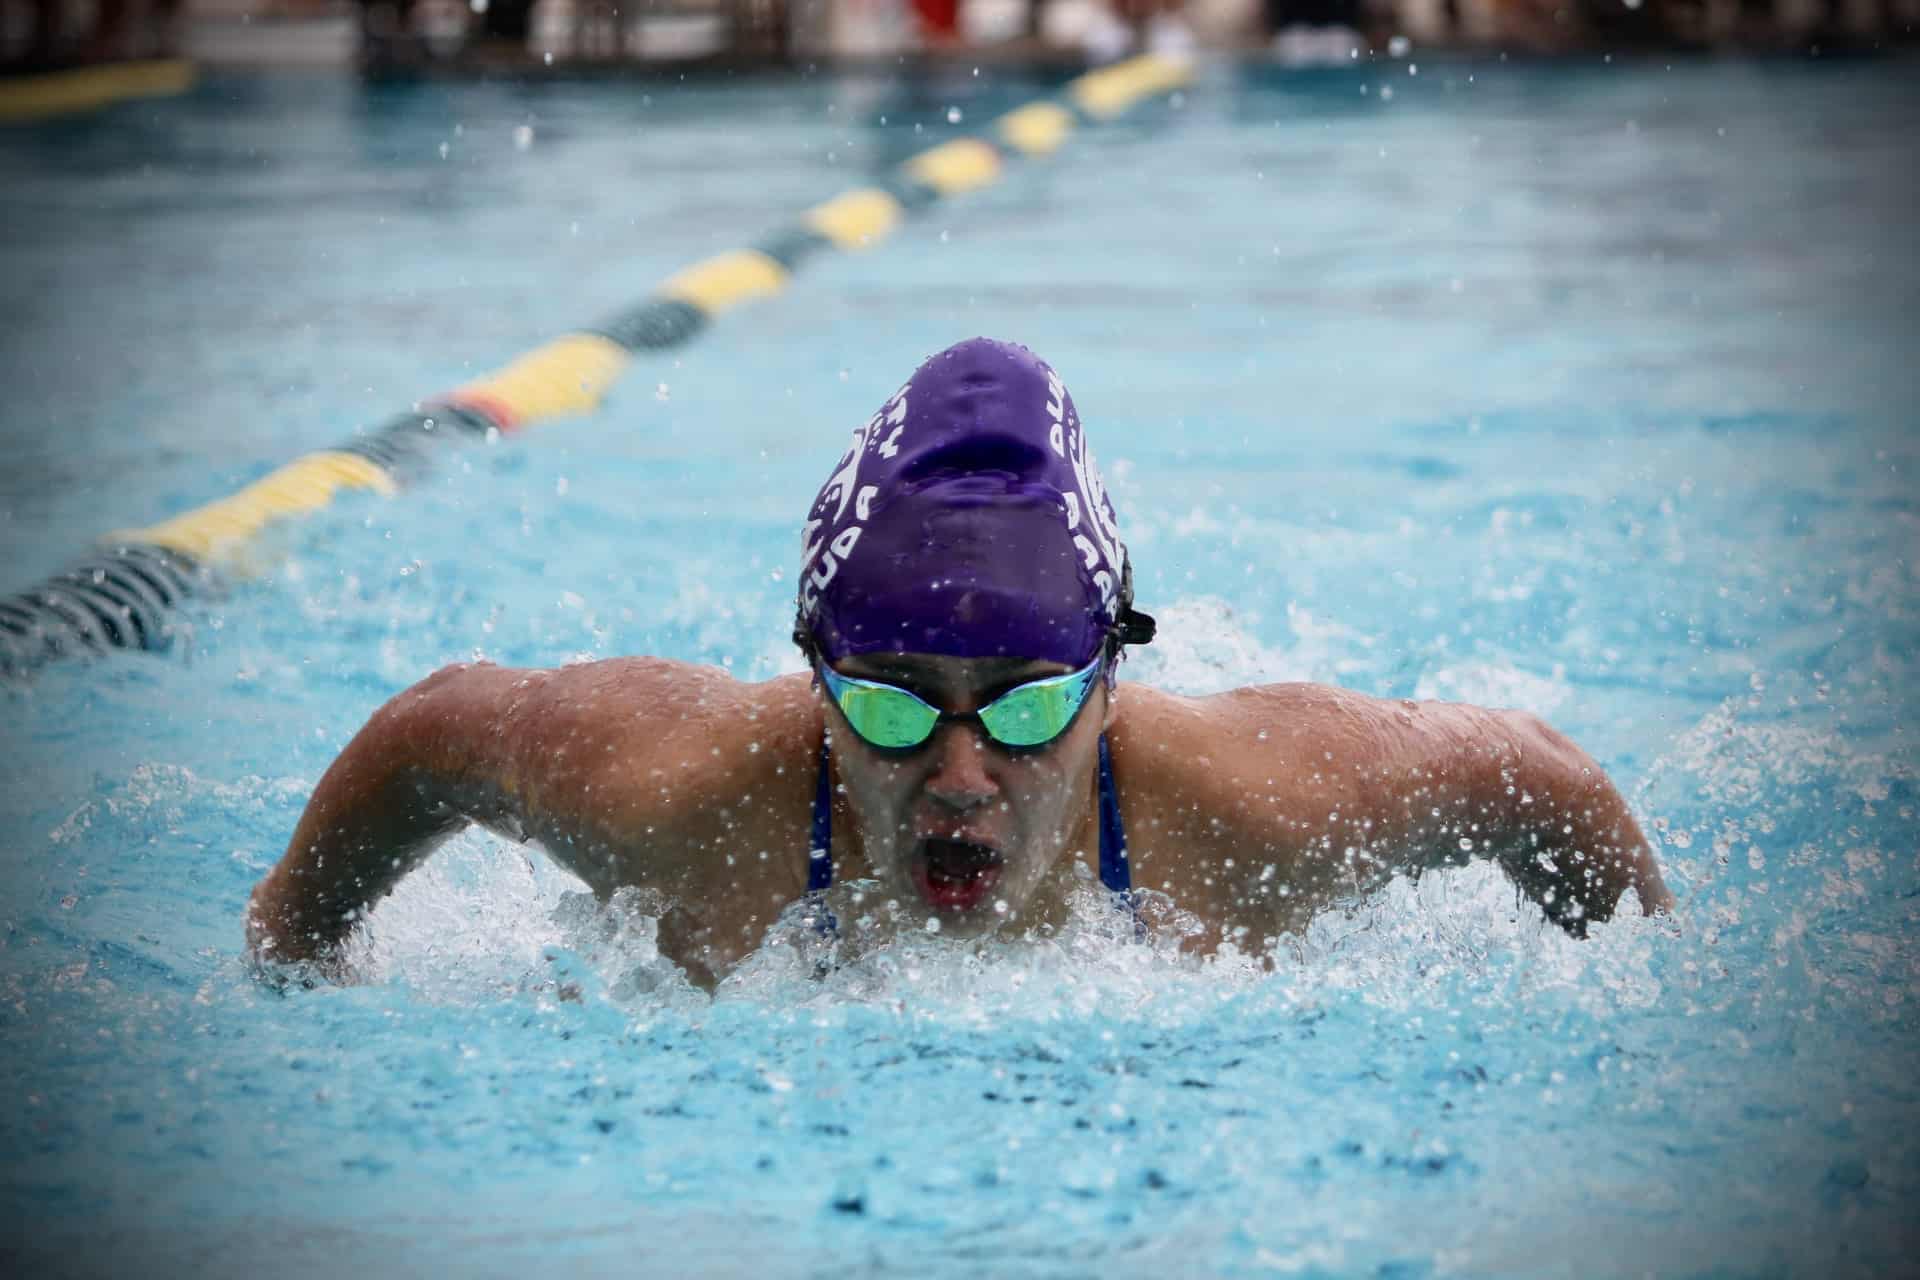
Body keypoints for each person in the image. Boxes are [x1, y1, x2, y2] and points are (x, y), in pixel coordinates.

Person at [247, 338, 1672, 989]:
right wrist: (294, 961)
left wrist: (1645, 987)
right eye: (889, 704)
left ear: (1108, 681)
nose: (959, 776)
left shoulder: (1263, 808)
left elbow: (1529, 775)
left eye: (1031, 708)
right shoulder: (672, 797)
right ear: (813, 678)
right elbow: (435, 733)